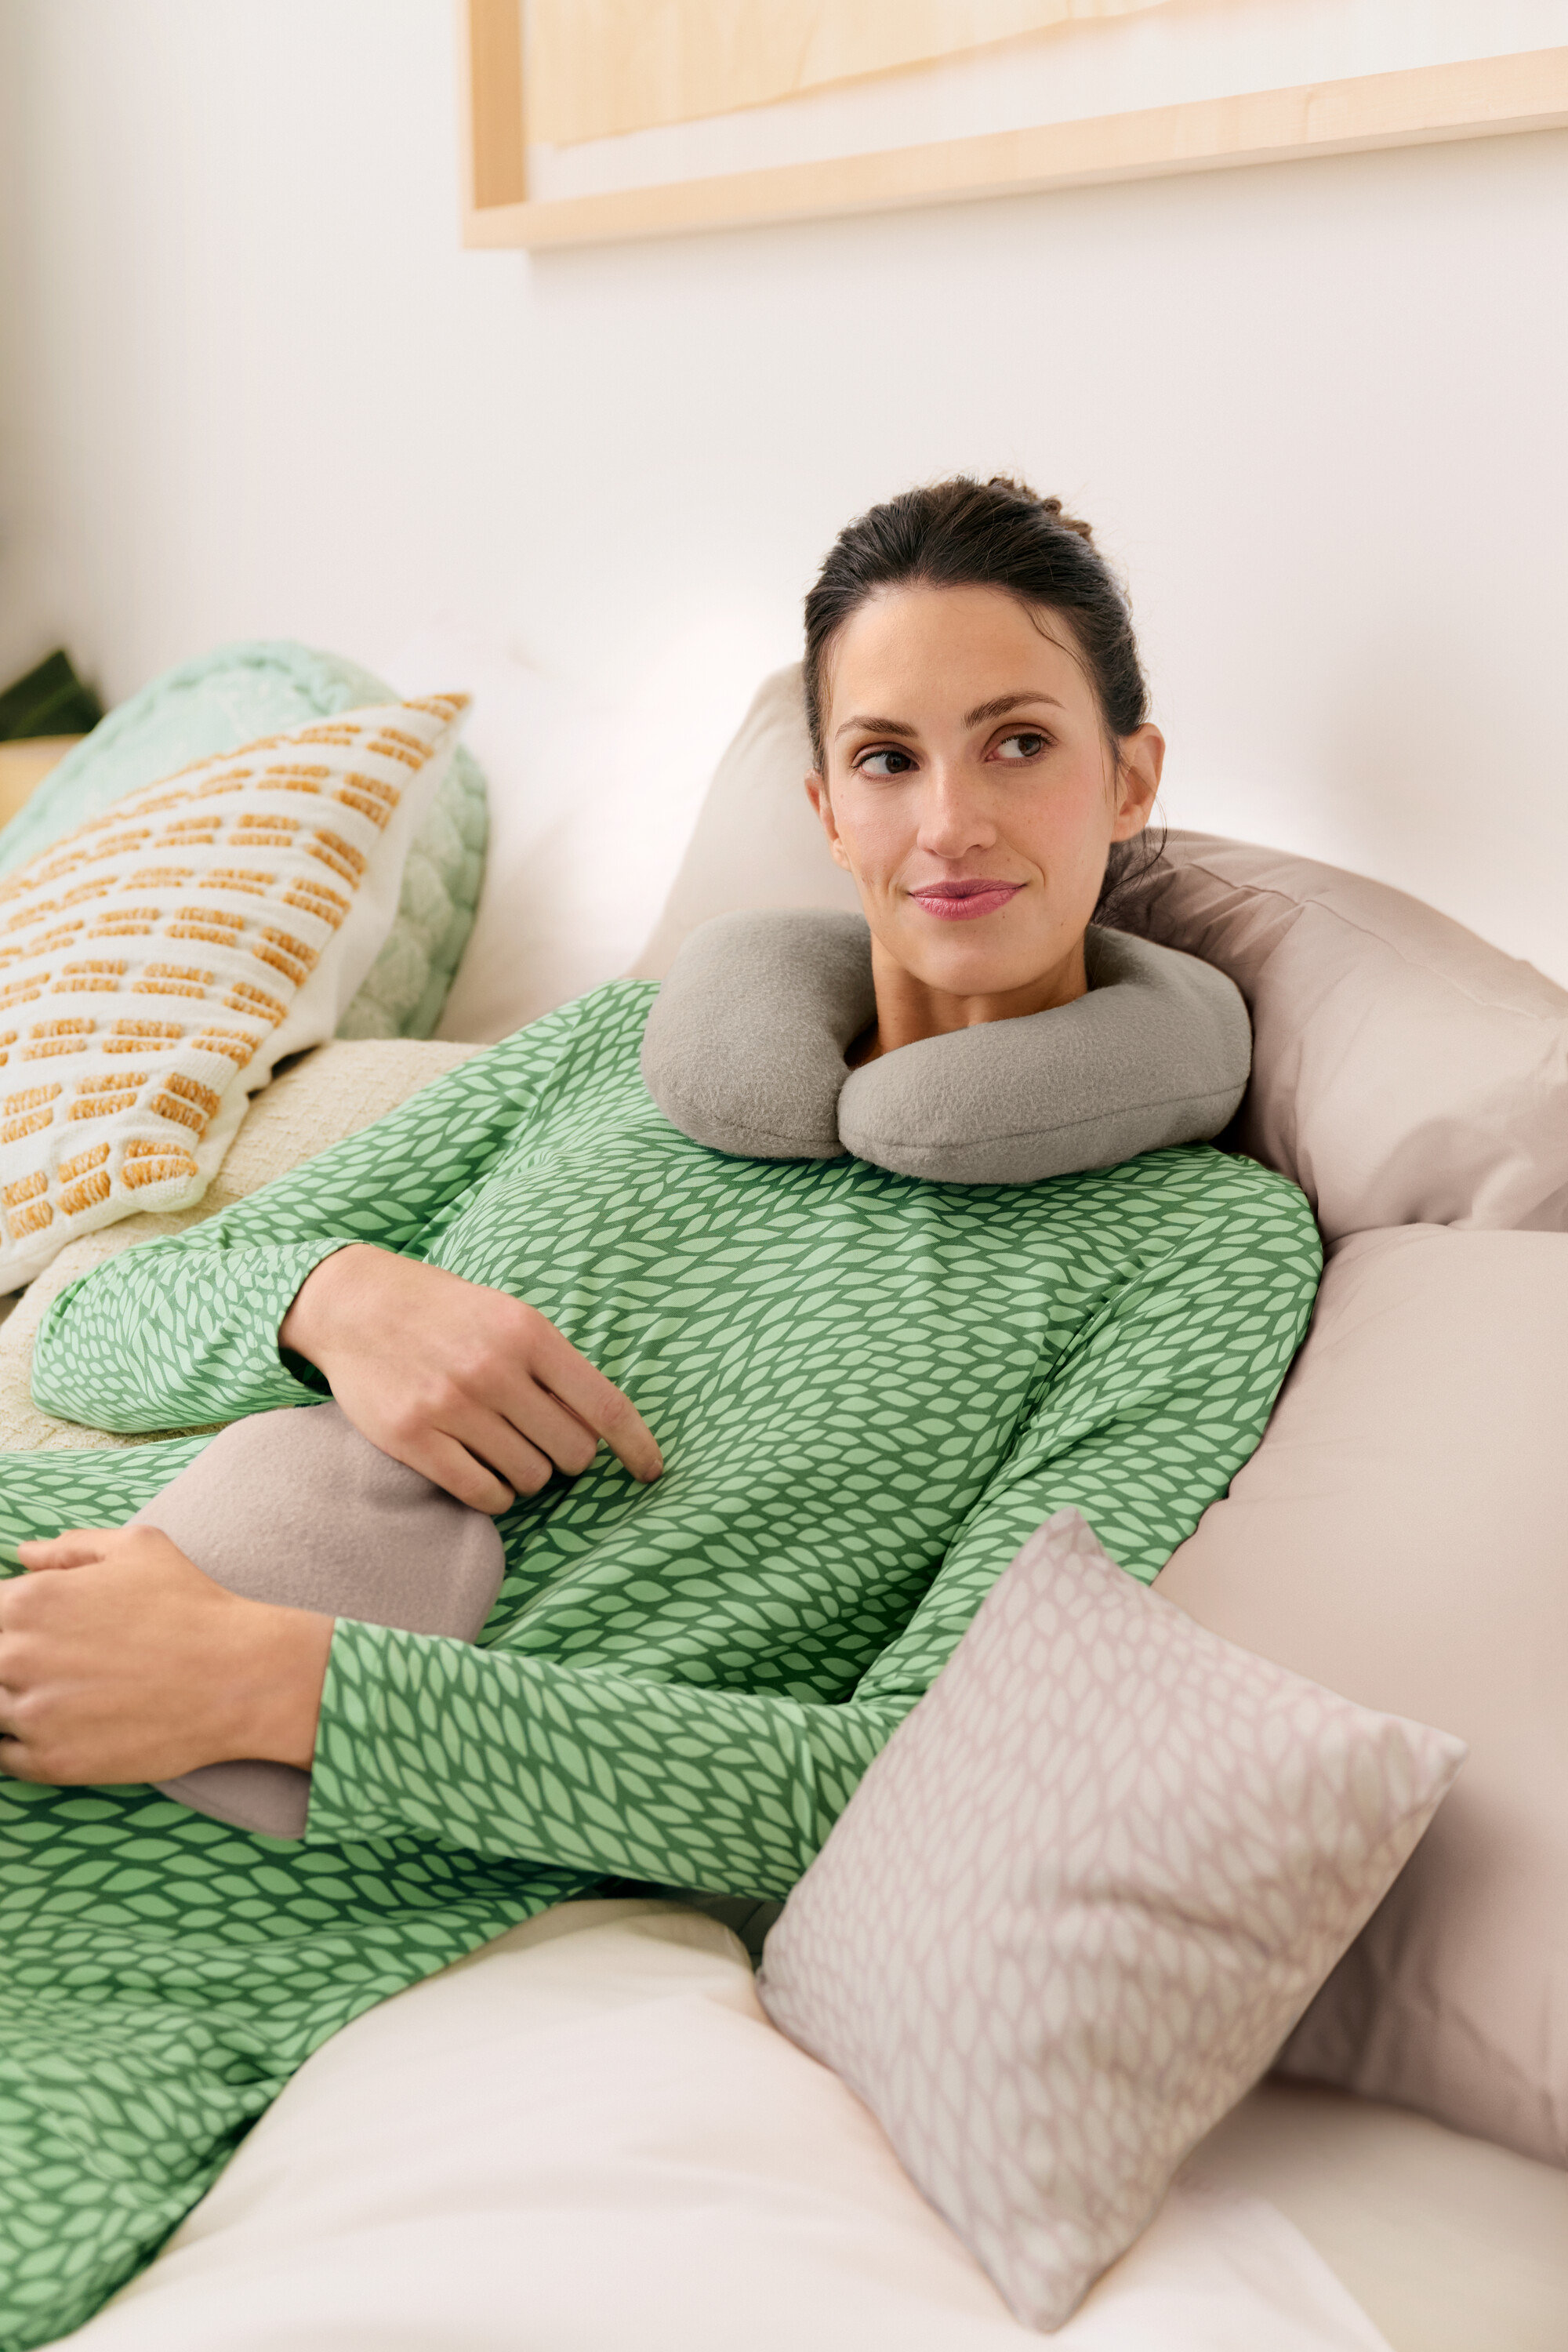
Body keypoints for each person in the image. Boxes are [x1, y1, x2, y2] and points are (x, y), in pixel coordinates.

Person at [0, 477, 1320, 2347]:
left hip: (250, 1844)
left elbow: (908, 1786)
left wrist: (273, 1687)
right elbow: (85, 1329)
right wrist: (332, 1296)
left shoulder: (1194, 1250)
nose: (947, 824)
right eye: (884, 757)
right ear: (819, 803)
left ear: (1129, 777)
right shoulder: (626, 1052)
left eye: (1017, 744)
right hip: (64, 1565)